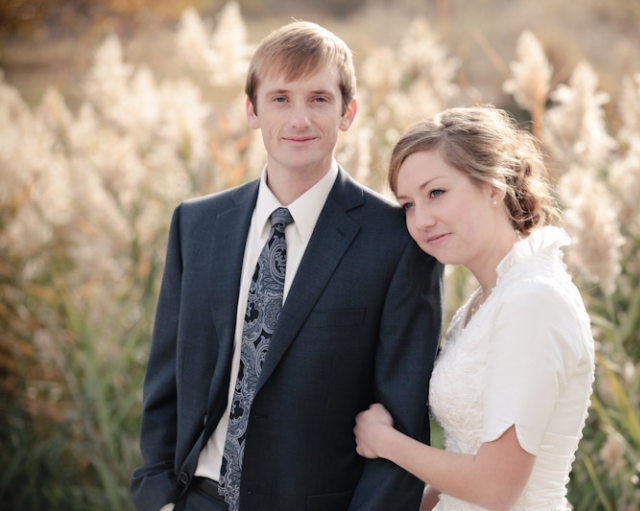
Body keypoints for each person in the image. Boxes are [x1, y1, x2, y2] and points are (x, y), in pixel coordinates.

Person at [131, 21, 443, 511]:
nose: (300, 119)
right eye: (280, 99)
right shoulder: (196, 225)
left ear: (347, 112)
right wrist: (160, 497)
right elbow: (165, 383)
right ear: (252, 111)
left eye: (319, 99)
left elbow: (402, 424)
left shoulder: (397, 243)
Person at [354, 106, 595, 511]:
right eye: (408, 205)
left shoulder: (532, 301)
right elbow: (464, 469)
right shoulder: (487, 301)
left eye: (436, 193)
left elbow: (495, 487)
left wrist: (385, 441)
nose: (421, 220)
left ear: (492, 187)